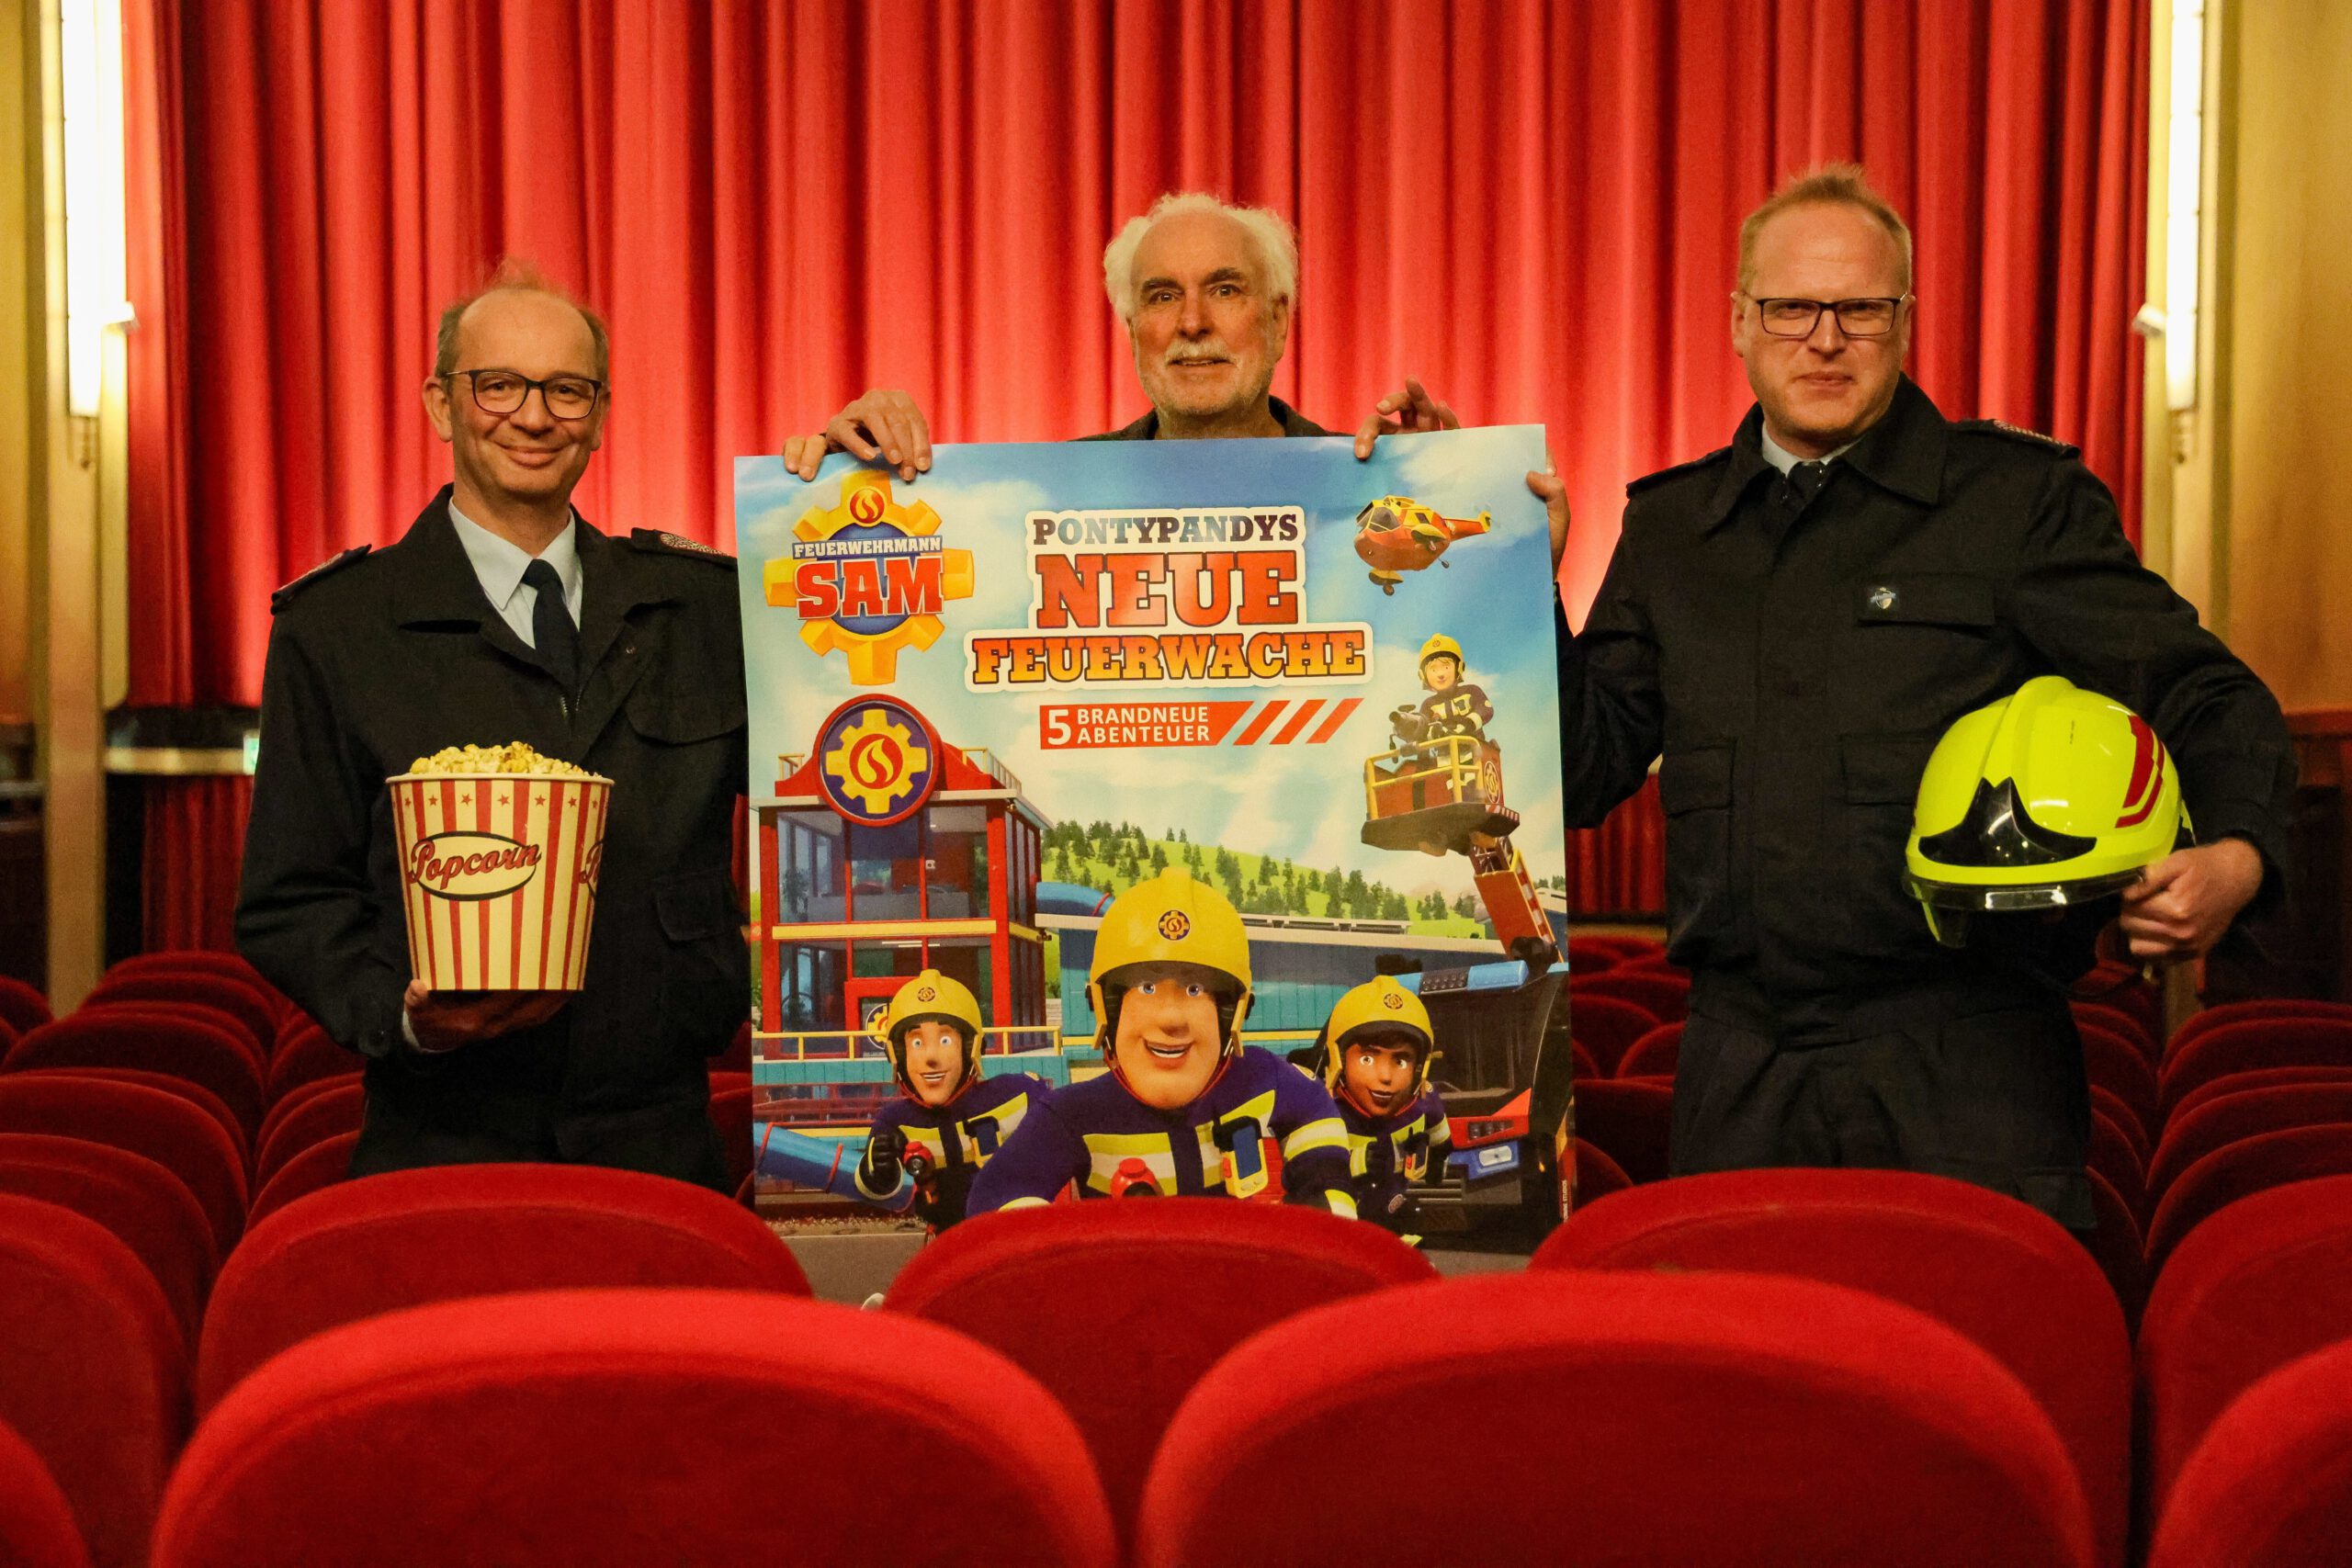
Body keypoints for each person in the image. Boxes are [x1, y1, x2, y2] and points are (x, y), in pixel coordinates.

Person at [1554, 165, 2295, 1228]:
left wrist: (2239, 854)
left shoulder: (2014, 503)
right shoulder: (1672, 531)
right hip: (1739, 1075)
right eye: (1791, 307)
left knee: (1974, 1331)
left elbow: (2206, 692)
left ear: (1904, 322)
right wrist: (1513, 581)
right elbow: (1583, 771)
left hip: (1970, 1073)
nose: (1824, 340)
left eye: (1860, 308)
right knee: (1741, 1339)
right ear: (1739, 321)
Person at [236, 261, 749, 1189]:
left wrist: (851, 486)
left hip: (663, 1147)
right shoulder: (337, 628)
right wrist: (406, 1017)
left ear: (600, 413)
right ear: (441, 404)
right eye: (499, 385)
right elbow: (289, 900)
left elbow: (840, 749)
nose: (535, 416)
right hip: (441, 1143)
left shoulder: (701, 610)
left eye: (567, 390)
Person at [777, 191, 1571, 558]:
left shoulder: (1382, 503)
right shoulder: (1038, 504)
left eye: (1224, 290)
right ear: (1132, 331)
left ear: (1278, 320)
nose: (1192, 322)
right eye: (1162, 297)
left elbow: (1550, 752)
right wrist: (845, 484)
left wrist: (1507, 565)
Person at [967, 868, 1356, 1214]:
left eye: (1195, 989)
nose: (1171, 1019)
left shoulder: (1259, 1078)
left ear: (1232, 1014)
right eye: (1146, 987)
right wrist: (1058, 1249)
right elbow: (996, 1193)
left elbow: (1314, 1110)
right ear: (1106, 1008)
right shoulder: (1074, 1115)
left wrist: (1323, 1191)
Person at [854, 968, 1050, 1230]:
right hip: (949, 1240)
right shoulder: (895, 1124)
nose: (930, 1057)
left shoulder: (1017, 1095)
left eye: (945, 1040)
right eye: (916, 1043)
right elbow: (871, 1191)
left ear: (972, 1048)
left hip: (1013, 1236)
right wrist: (878, 1170)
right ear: (897, 1054)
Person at [1316, 976, 1453, 1234]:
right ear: (1338, 1058)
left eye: (1401, 1061)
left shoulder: (1424, 1103)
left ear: (1420, 1068)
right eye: (1367, 1059)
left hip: (1392, 1211)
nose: (1386, 1076)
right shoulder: (1322, 1111)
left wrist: (1435, 1160)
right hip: (1341, 1226)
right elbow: (1310, 1172)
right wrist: (1360, 1161)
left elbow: (1440, 1139)